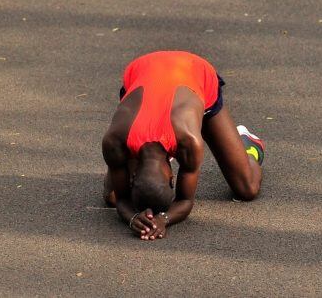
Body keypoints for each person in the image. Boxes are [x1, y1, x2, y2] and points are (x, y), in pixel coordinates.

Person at [102, 51, 265, 241]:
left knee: (247, 189)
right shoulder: (113, 141)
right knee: (111, 196)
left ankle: (247, 143)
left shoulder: (188, 142)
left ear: (173, 178)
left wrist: (164, 219)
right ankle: (163, 149)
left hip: (194, 72)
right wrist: (133, 218)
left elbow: (186, 200)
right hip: (144, 70)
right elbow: (121, 199)